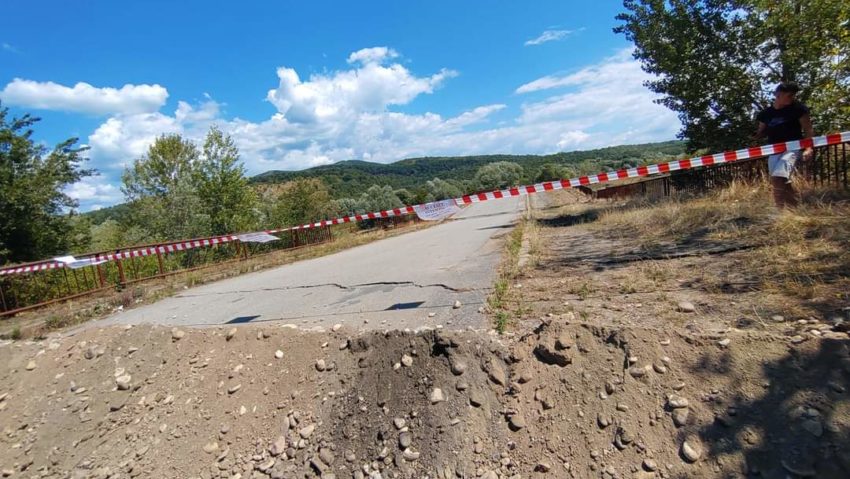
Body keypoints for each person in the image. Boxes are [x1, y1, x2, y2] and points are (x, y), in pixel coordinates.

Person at [754, 82, 814, 208]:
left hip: (793, 148)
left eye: (793, 95)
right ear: (778, 95)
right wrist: (755, 136)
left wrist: (808, 148)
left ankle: (780, 212)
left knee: (778, 177)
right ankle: (795, 207)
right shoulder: (766, 114)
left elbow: (808, 129)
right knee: (782, 180)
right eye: (789, 95)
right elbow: (760, 132)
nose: (792, 98)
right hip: (773, 150)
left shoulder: (799, 109)